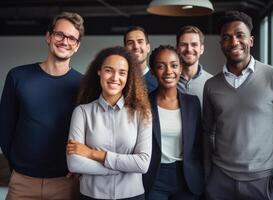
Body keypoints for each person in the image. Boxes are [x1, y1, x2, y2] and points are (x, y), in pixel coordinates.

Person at [203, 10, 273, 200]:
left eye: (240, 35)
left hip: (262, 183)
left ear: (251, 41)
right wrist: (209, 175)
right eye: (227, 37)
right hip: (219, 182)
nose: (234, 42)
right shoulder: (212, 85)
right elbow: (208, 132)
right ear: (221, 43)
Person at [0, 11, 84, 199]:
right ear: (48, 36)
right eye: (59, 34)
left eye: (72, 38)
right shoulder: (18, 76)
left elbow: (90, 132)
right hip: (22, 182)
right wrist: (16, 165)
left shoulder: (84, 85)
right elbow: (5, 127)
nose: (65, 41)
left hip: (66, 182)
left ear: (77, 46)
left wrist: (81, 166)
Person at [66, 46, 152, 200]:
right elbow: (74, 163)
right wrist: (118, 168)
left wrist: (92, 154)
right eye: (109, 70)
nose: (114, 77)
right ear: (99, 71)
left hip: (132, 195)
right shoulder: (82, 112)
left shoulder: (142, 114)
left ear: (128, 77)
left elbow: (142, 164)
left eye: (122, 73)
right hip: (91, 196)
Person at [143, 45, 204, 200]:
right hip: (154, 177)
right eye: (161, 66)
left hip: (187, 178)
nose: (169, 71)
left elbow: (199, 144)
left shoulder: (192, 103)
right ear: (153, 71)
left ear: (180, 68)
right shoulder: (143, 104)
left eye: (174, 65)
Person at [176, 25, 212, 107]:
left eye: (194, 44)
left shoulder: (212, 82)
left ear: (201, 49)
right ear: (177, 48)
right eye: (183, 44)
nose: (189, 49)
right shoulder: (168, 80)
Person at [123, 26, 158, 93]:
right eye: (130, 43)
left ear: (148, 48)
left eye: (140, 42)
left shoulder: (159, 81)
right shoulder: (119, 81)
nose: (136, 46)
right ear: (125, 50)